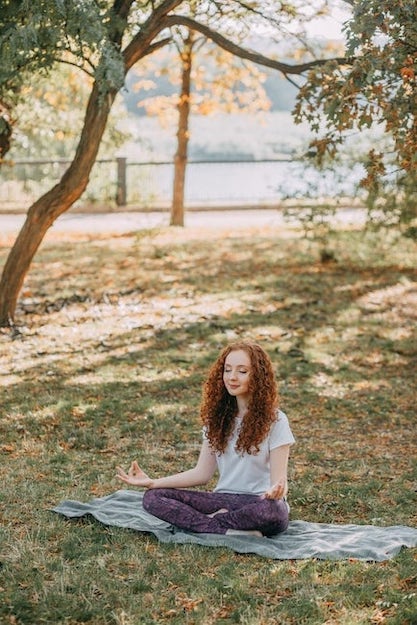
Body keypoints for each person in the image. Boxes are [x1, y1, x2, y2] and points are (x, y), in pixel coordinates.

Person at [116, 341, 295, 537]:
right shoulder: (217, 419)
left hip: (258, 503)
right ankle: (228, 530)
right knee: (153, 497)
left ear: (258, 377)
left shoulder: (276, 421)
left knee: (274, 510)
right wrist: (153, 482)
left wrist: (276, 491)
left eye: (242, 371)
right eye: (227, 370)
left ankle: (209, 524)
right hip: (222, 500)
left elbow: (279, 482)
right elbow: (202, 473)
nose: (232, 377)